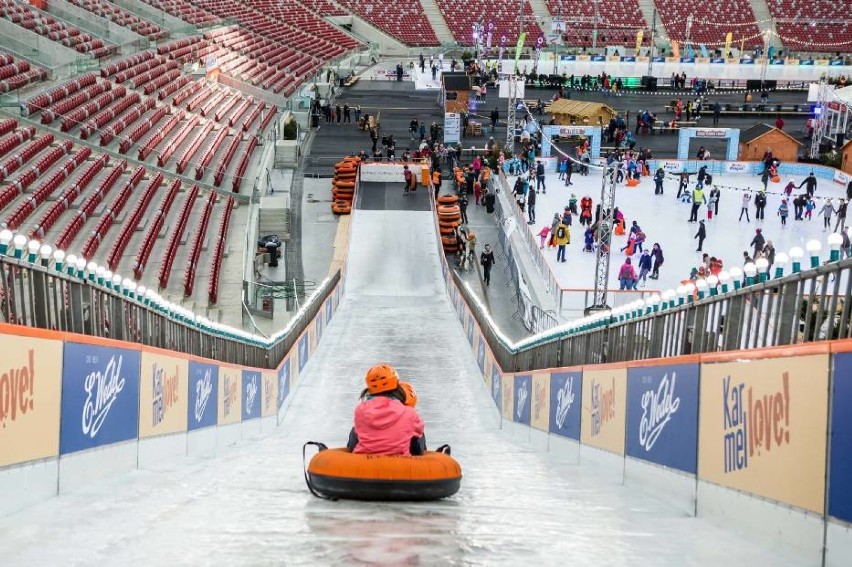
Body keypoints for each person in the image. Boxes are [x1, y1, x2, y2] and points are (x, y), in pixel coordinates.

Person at [348, 364, 425, 456]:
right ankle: (421, 460)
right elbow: (419, 431)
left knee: (355, 430)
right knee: (417, 433)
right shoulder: (409, 412)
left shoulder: (360, 410)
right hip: (401, 461)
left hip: (365, 460)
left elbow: (360, 433)